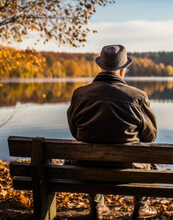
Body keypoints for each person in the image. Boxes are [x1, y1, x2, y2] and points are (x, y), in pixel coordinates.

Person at [67, 44, 158, 219]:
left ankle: (97, 206)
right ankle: (141, 207)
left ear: (100, 66)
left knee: (88, 151)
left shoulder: (79, 94)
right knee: (143, 154)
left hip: (87, 169)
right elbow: (150, 137)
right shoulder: (137, 97)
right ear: (123, 70)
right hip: (127, 170)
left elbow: (75, 132)